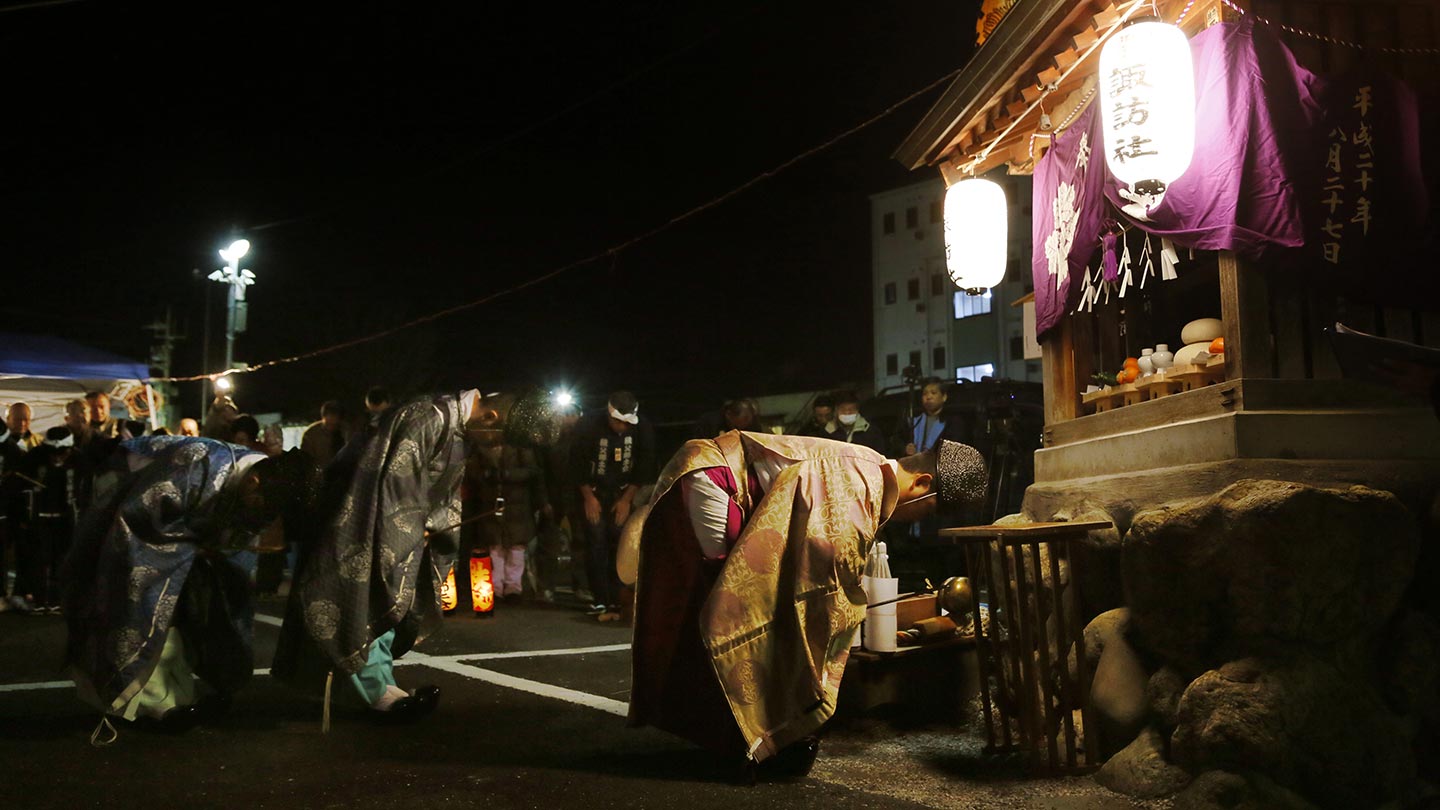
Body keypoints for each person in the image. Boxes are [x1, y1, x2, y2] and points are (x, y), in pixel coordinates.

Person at [618, 431, 987, 782]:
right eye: (929, 511)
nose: (919, 519)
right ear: (922, 484)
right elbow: (823, 580)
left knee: (755, 613)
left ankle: (738, 736)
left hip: (719, 480)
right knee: (735, 610)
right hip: (713, 479)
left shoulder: (870, 472)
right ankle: (740, 741)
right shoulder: (859, 485)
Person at [272, 388, 566, 723]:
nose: (491, 449)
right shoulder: (426, 417)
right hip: (362, 522)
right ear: (490, 417)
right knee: (368, 599)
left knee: (385, 602)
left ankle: (376, 685)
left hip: (400, 527)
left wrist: (429, 527)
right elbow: (394, 488)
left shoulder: (455, 426)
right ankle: (374, 692)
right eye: (495, 440)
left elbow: (435, 493)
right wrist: (416, 529)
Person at [62, 436, 315, 733]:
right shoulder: (195, 464)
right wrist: (191, 551)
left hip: (183, 537)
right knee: (145, 603)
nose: (263, 517)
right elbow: (137, 522)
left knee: (208, 604)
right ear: (254, 481)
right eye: (261, 507)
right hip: (126, 505)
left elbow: (236, 547)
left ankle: (181, 695)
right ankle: (148, 704)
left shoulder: (260, 491)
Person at [572, 391, 655, 621]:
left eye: (626, 423)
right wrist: (588, 497)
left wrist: (627, 499)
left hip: (624, 491)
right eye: (618, 421)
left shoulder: (643, 428)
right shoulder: (588, 423)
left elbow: (645, 463)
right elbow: (576, 462)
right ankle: (600, 599)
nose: (621, 427)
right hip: (593, 491)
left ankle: (620, 599)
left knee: (621, 543)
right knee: (595, 541)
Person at [463, 428, 549, 603]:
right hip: (491, 502)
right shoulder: (479, 447)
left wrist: (508, 475)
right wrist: (486, 475)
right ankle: (495, 587)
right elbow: (471, 471)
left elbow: (532, 471)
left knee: (516, 548)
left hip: (517, 503)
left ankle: (513, 587)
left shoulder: (520, 446)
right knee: (495, 547)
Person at [28, 426, 79, 613]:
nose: (57, 457)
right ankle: (40, 599)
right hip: (40, 518)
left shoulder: (79, 461)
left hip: (65, 519)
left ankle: (58, 599)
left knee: (61, 560)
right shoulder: (34, 458)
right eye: (53, 453)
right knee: (40, 559)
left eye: (62, 453)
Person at [1, 402, 45, 612]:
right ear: (7, 419)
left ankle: (21, 592)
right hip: (4, 505)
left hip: (26, 507)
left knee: (25, 551)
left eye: (26, 419)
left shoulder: (39, 443)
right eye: (17, 419)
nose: (22, 423)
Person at [300, 400, 347, 470]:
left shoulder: (346, 430)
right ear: (323, 417)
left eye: (335, 424)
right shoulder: (311, 434)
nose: (332, 427)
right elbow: (305, 459)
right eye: (329, 424)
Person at [693, 398, 761, 439]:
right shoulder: (709, 423)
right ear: (729, 414)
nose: (747, 423)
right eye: (745, 418)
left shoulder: (749, 427)